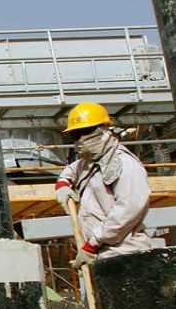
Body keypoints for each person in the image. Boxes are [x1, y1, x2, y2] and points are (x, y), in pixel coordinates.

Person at [55, 102, 153, 268]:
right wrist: (63, 185)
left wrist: (93, 243)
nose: (80, 140)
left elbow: (128, 210)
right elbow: (71, 169)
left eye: (85, 132)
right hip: (101, 255)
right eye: (75, 135)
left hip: (126, 256)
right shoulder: (89, 163)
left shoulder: (123, 163)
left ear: (104, 130)